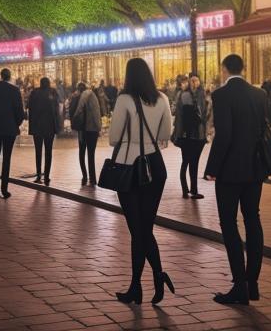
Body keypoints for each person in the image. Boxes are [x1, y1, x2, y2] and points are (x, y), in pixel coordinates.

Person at [107, 57, 173, 306]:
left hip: (129, 165)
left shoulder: (124, 99)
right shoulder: (163, 99)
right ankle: (153, 278)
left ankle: (140, 285)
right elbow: (165, 134)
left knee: (138, 230)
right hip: (155, 166)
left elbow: (114, 137)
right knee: (145, 228)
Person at [204, 53, 268, 306]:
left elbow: (224, 135)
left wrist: (212, 168)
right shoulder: (259, 94)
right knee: (253, 219)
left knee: (228, 223)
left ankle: (239, 284)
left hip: (230, 170)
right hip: (255, 168)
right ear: (244, 67)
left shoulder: (221, 95)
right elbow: (264, 129)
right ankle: (252, 282)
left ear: (224, 69)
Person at [0, 68, 24, 199]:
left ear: (1, 76)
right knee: (6, 158)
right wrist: (15, 123)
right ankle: (4, 189)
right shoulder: (14, 90)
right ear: (10, 76)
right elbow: (20, 112)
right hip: (9, 128)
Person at [173, 73, 208, 199]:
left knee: (193, 162)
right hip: (188, 135)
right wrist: (179, 134)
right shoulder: (185, 95)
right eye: (192, 81)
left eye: (196, 81)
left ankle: (193, 189)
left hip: (198, 135)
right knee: (186, 162)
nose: (194, 83)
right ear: (189, 82)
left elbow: (205, 115)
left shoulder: (202, 95)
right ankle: (186, 189)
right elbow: (182, 118)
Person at [27, 76, 60, 184]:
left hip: (37, 127)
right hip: (50, 127)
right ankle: (46, 176)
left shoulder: (34, 92)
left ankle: (38, 175)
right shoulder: (53, 92)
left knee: (38, 151)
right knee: (48, 152)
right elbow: (56, 109)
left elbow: (29, 107)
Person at [71, 81, 102, 186]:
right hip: (92, 129)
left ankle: (85, 175)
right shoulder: (91, 95)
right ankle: (92, 178)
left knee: (82, 152)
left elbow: (79, 108)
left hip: (84, 130)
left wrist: (74, 119)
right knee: (90, 154)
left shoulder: (84, 94)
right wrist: (99, 128)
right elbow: (96, 114)